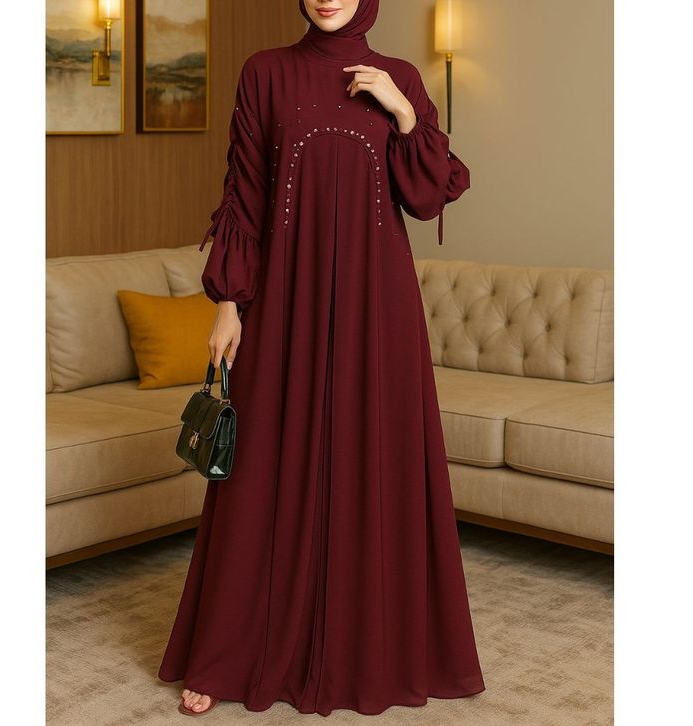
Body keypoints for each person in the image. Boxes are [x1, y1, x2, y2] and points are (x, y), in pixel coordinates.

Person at [158, 0, 485, 717]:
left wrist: (405, 113)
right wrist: (227, 301)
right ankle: (227, 653)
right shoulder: (265, 73)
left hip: (378, 307)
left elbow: (428, 195)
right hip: (284, 299)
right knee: (260, 466)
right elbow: (244, 190)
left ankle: (370, 653)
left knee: (373, 460)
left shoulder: (399, 77)